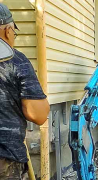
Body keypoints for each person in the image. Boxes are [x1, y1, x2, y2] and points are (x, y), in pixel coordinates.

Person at [0, 3, 50, 179]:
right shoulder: (16, 61)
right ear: (7, 30)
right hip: (5, 158)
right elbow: (38, 114)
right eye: (14, 31)